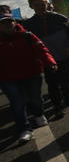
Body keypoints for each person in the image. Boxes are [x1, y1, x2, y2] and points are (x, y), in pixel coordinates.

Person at [0, 10, 55, 144]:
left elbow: (42, 49)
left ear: (15, 22)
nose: (7, 25)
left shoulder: (27, 36)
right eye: (3, 23)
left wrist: (50, 62)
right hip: (8, 78)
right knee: (17, 103)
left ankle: (38, 114)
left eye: (9, 22)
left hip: (32, 73)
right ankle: (24, 129)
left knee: (35, 97)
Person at [22, 0, 69, 118]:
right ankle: (58, 107)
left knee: (66, 80)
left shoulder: (60, 18)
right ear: (31, 7)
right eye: (36, 5)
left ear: (47, 4)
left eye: (42, 4)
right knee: (52, 83)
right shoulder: (29, 24)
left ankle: (67, 96)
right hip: (46, 58)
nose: (40, 7)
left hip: (64, 55)